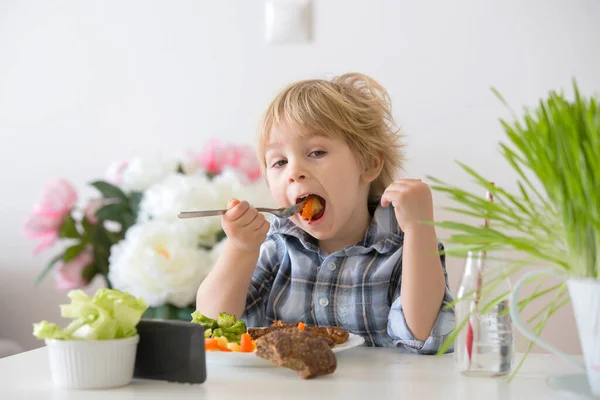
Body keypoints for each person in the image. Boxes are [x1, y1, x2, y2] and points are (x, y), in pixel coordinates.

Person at [196, 73, 455, 353]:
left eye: (317, 152)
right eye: (280, 162)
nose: (294, 172)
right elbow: (212, 328)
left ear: (368, 163)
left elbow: (425, 337)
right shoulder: (277, 245)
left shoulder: (405, 246)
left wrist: (420, 228)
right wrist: (240, 249)